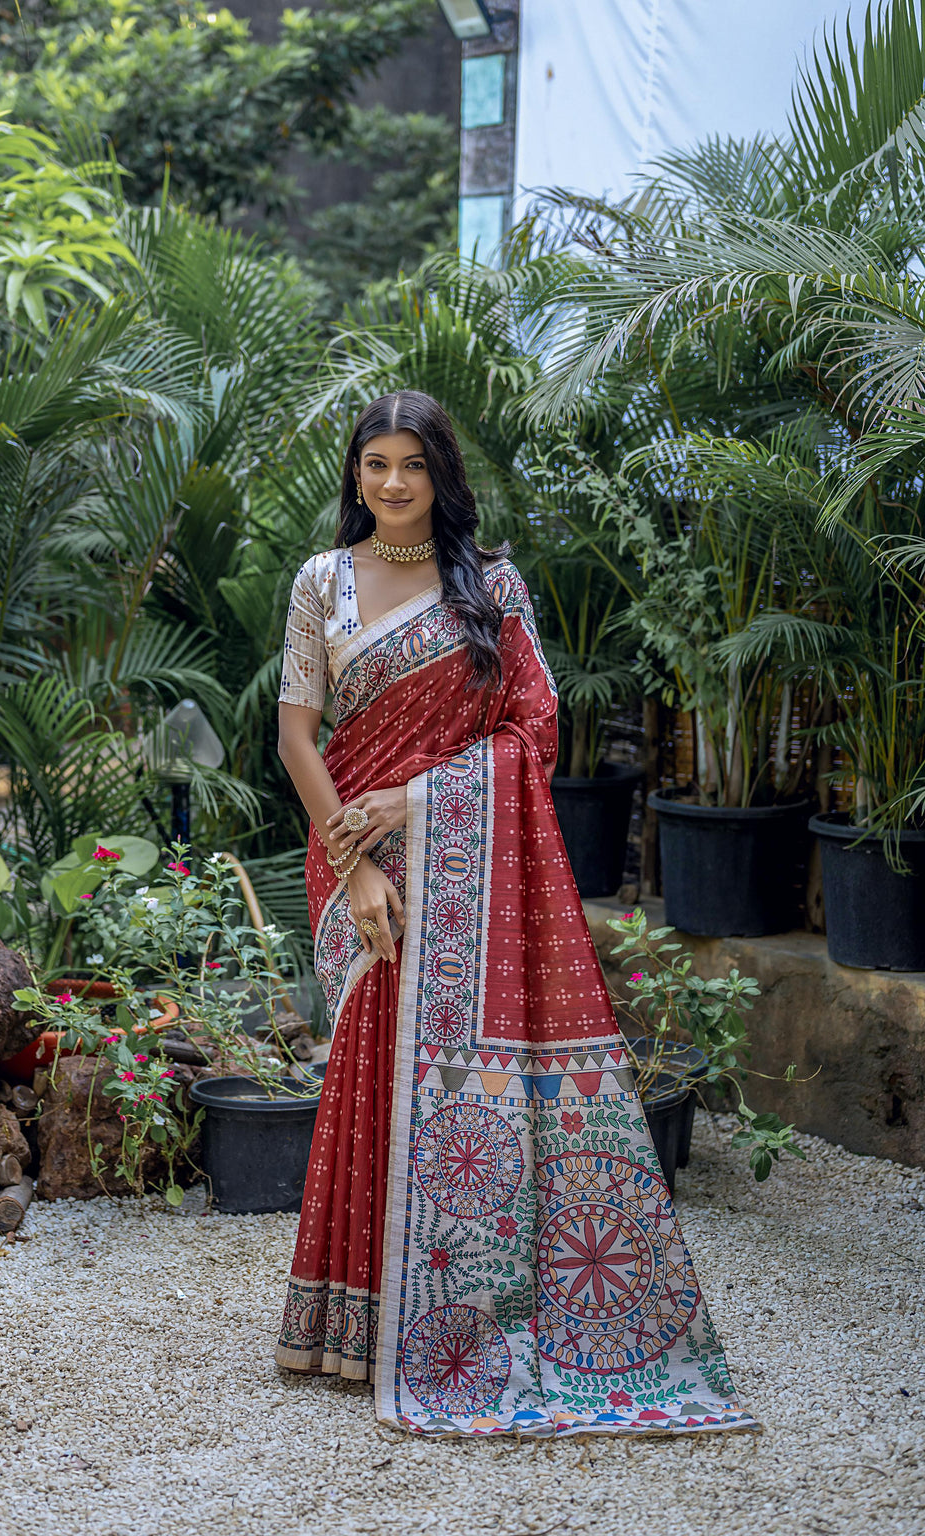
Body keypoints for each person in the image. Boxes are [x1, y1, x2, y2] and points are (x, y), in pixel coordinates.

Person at [274, 390, 756, 1438]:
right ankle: (356, 1322)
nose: (392, 485)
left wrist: (416, 800)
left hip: (456, 852)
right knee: (368, 1058)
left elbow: (531, 734)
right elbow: (297, 741)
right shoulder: (322, 584)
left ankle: (452, 1320)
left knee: (434, 1077)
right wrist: (355, 861)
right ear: (353, 473)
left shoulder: (492, 588)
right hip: (353, 852)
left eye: (411, 465)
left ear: (443, 475)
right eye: (373, 465)